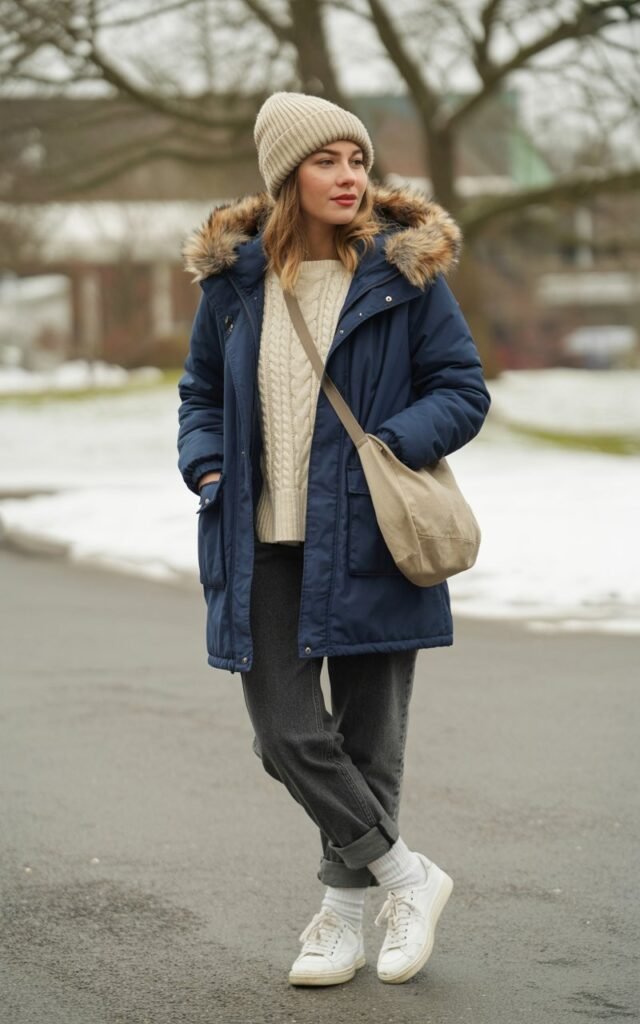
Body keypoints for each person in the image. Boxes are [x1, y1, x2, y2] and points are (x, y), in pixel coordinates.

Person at [177, 91, 491, 988]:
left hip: (373, 536)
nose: (350, 176)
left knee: (367, 739)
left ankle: (342, 919)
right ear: (287, 177)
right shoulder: (234, 286)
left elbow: (462, 390)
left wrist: (388, 447)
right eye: (328, 161)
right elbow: (199, 394)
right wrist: (207, 466)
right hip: (260, 540)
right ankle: (405, 876)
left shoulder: (406, 276)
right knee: (284, 732)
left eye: (357, 159)